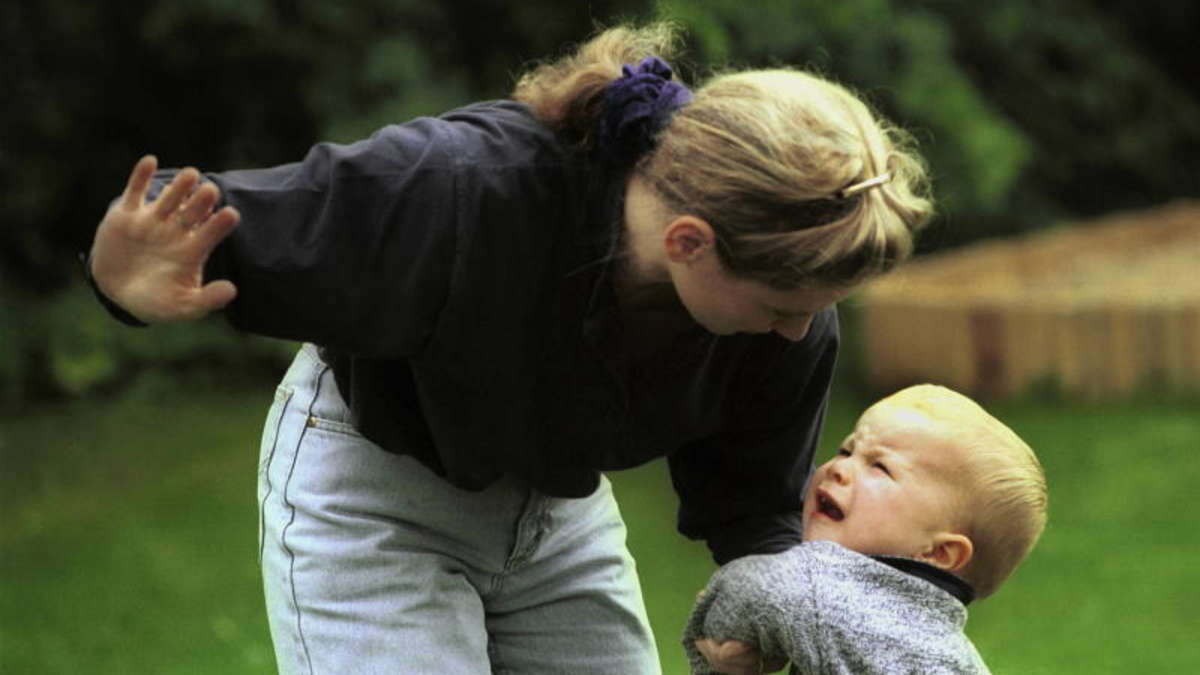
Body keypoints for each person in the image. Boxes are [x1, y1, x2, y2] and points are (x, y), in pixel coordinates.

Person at [85, 22, 933, 675]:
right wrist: (128, 272)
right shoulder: (460, 188)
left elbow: (752, 505)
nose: (797, 330)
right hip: (374, 486)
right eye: (782, 305)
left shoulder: (788, 312)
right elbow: (219, 223)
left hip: (555, 510)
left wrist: (759, 611)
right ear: (688, 241)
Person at [684, 384, 1049, 674]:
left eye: (880, 468)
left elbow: (760, 585)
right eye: (847, 450)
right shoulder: (919, 635)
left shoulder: (834, 599)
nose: (838, 469)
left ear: (938, 553)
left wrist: (720, 630)